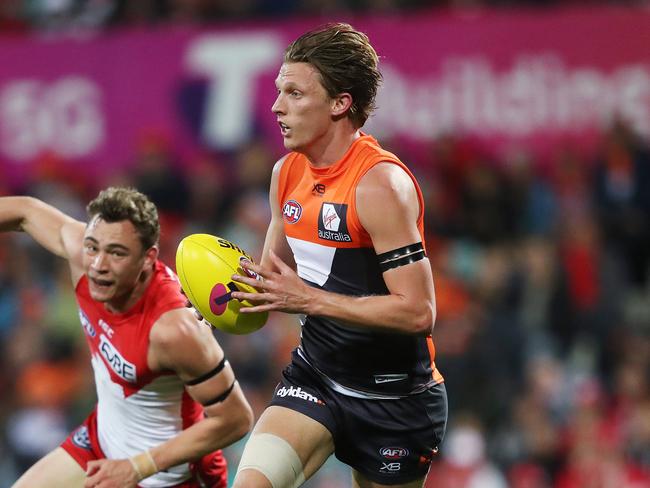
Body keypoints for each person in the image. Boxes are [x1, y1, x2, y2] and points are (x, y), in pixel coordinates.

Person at [229, 23, 447, 488]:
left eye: (294, 93)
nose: (276, 106)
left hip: (396, 400)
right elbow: (271, 282)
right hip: (317, 378)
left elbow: (418, 312)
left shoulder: (380, 185)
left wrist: (307, 300)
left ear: (339, 103)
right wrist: (212, 294)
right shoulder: (285, 173)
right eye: (278, 91)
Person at [0, 187, 254, 488]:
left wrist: (136, 467)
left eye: (117, 253)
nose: (98, 266)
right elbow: (26, 211)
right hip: (102, 441)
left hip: (169, 476)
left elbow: (237, 420)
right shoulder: (82, 256)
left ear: (148, 259)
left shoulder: (174, 331)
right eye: (93, 247)